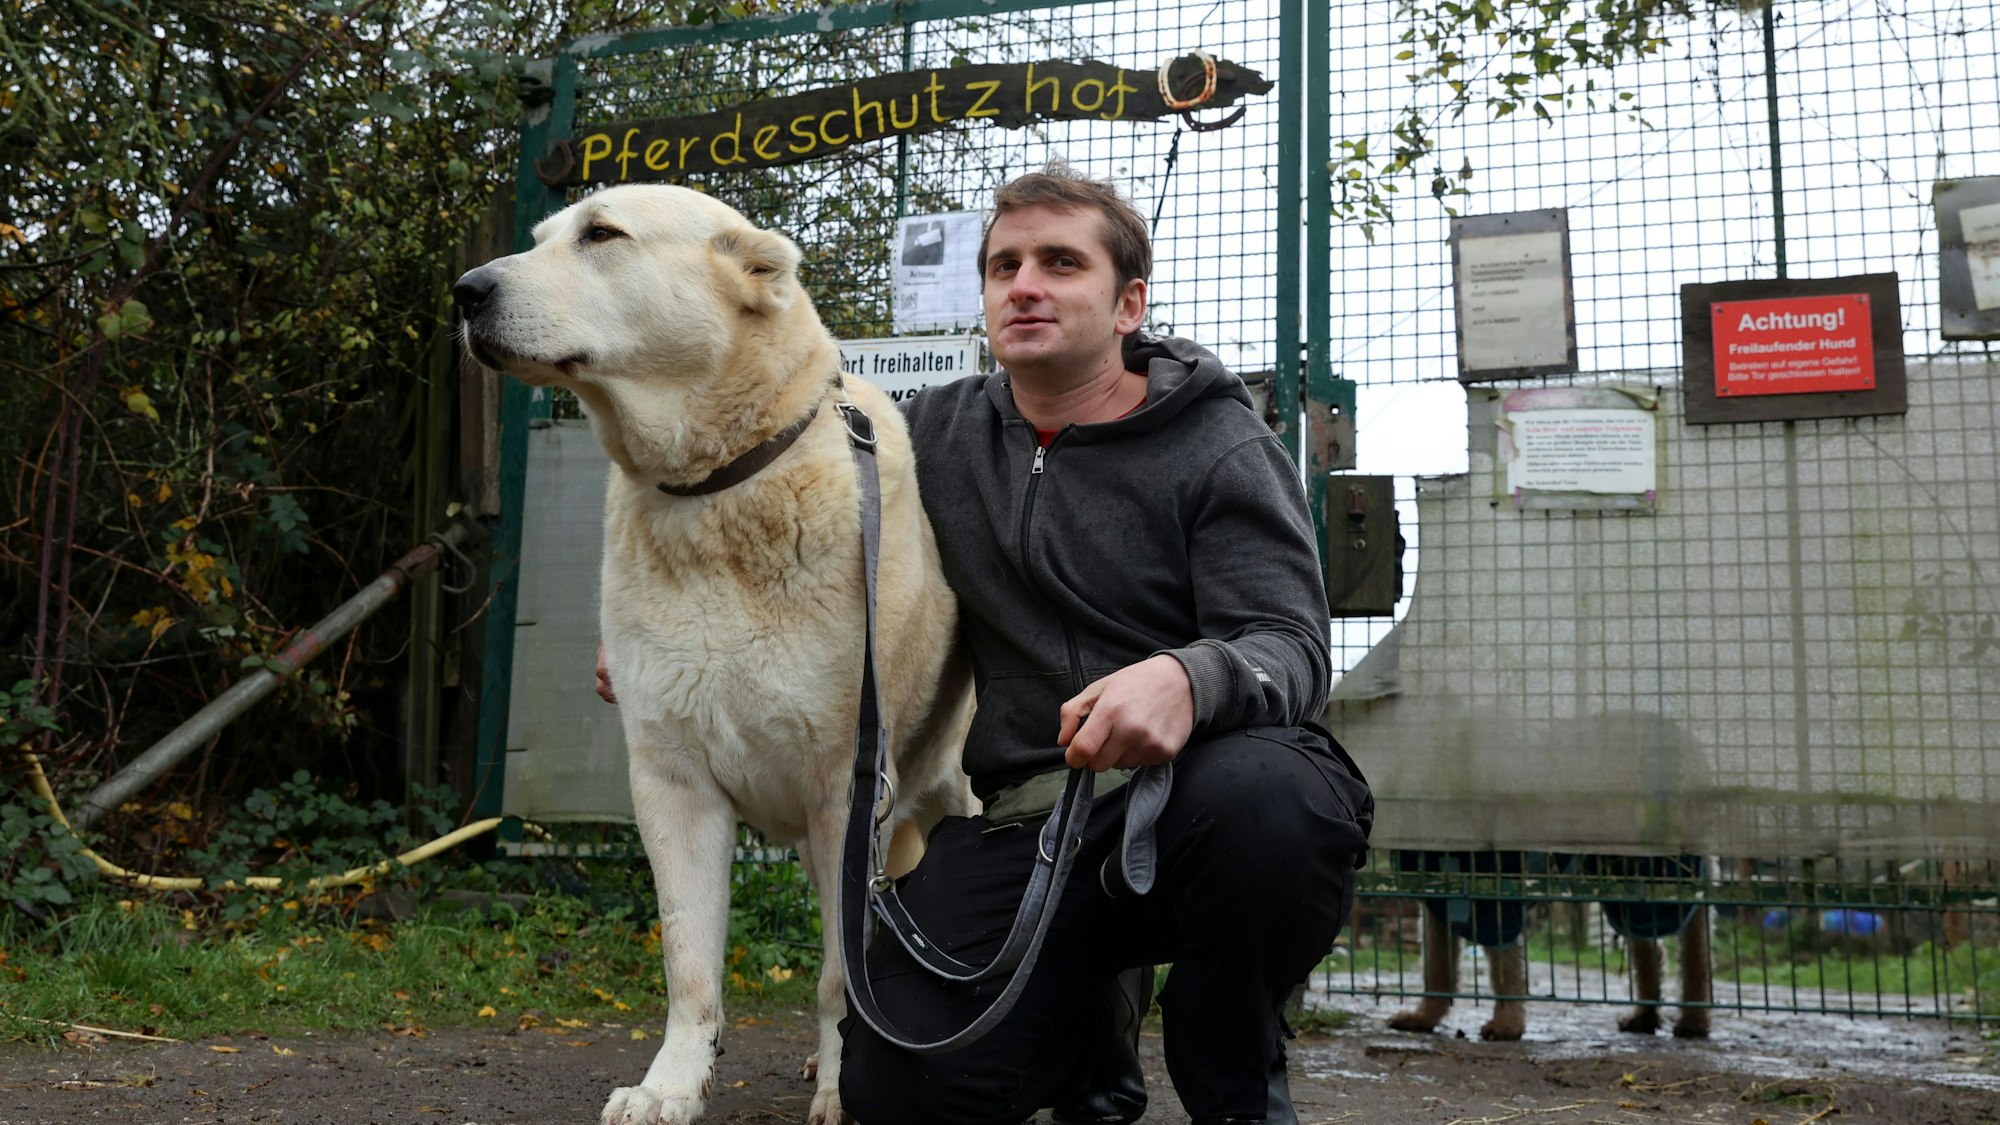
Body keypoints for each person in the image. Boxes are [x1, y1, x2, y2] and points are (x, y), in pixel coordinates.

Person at [832, 165, 1372, 1125]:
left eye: (1059, 262)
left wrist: (1188, 677)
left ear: (1129, 304)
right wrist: (665, 626)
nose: (1023, 284)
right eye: (1004, 266)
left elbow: (1292, 648)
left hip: (1203, 802)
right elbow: (804, 538)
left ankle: (1231, 1062)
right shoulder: (934, 436)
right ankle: (1088, 1029)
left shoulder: (1220, 443)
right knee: (902, 1091)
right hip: (1032, 821)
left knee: (1274, 803)